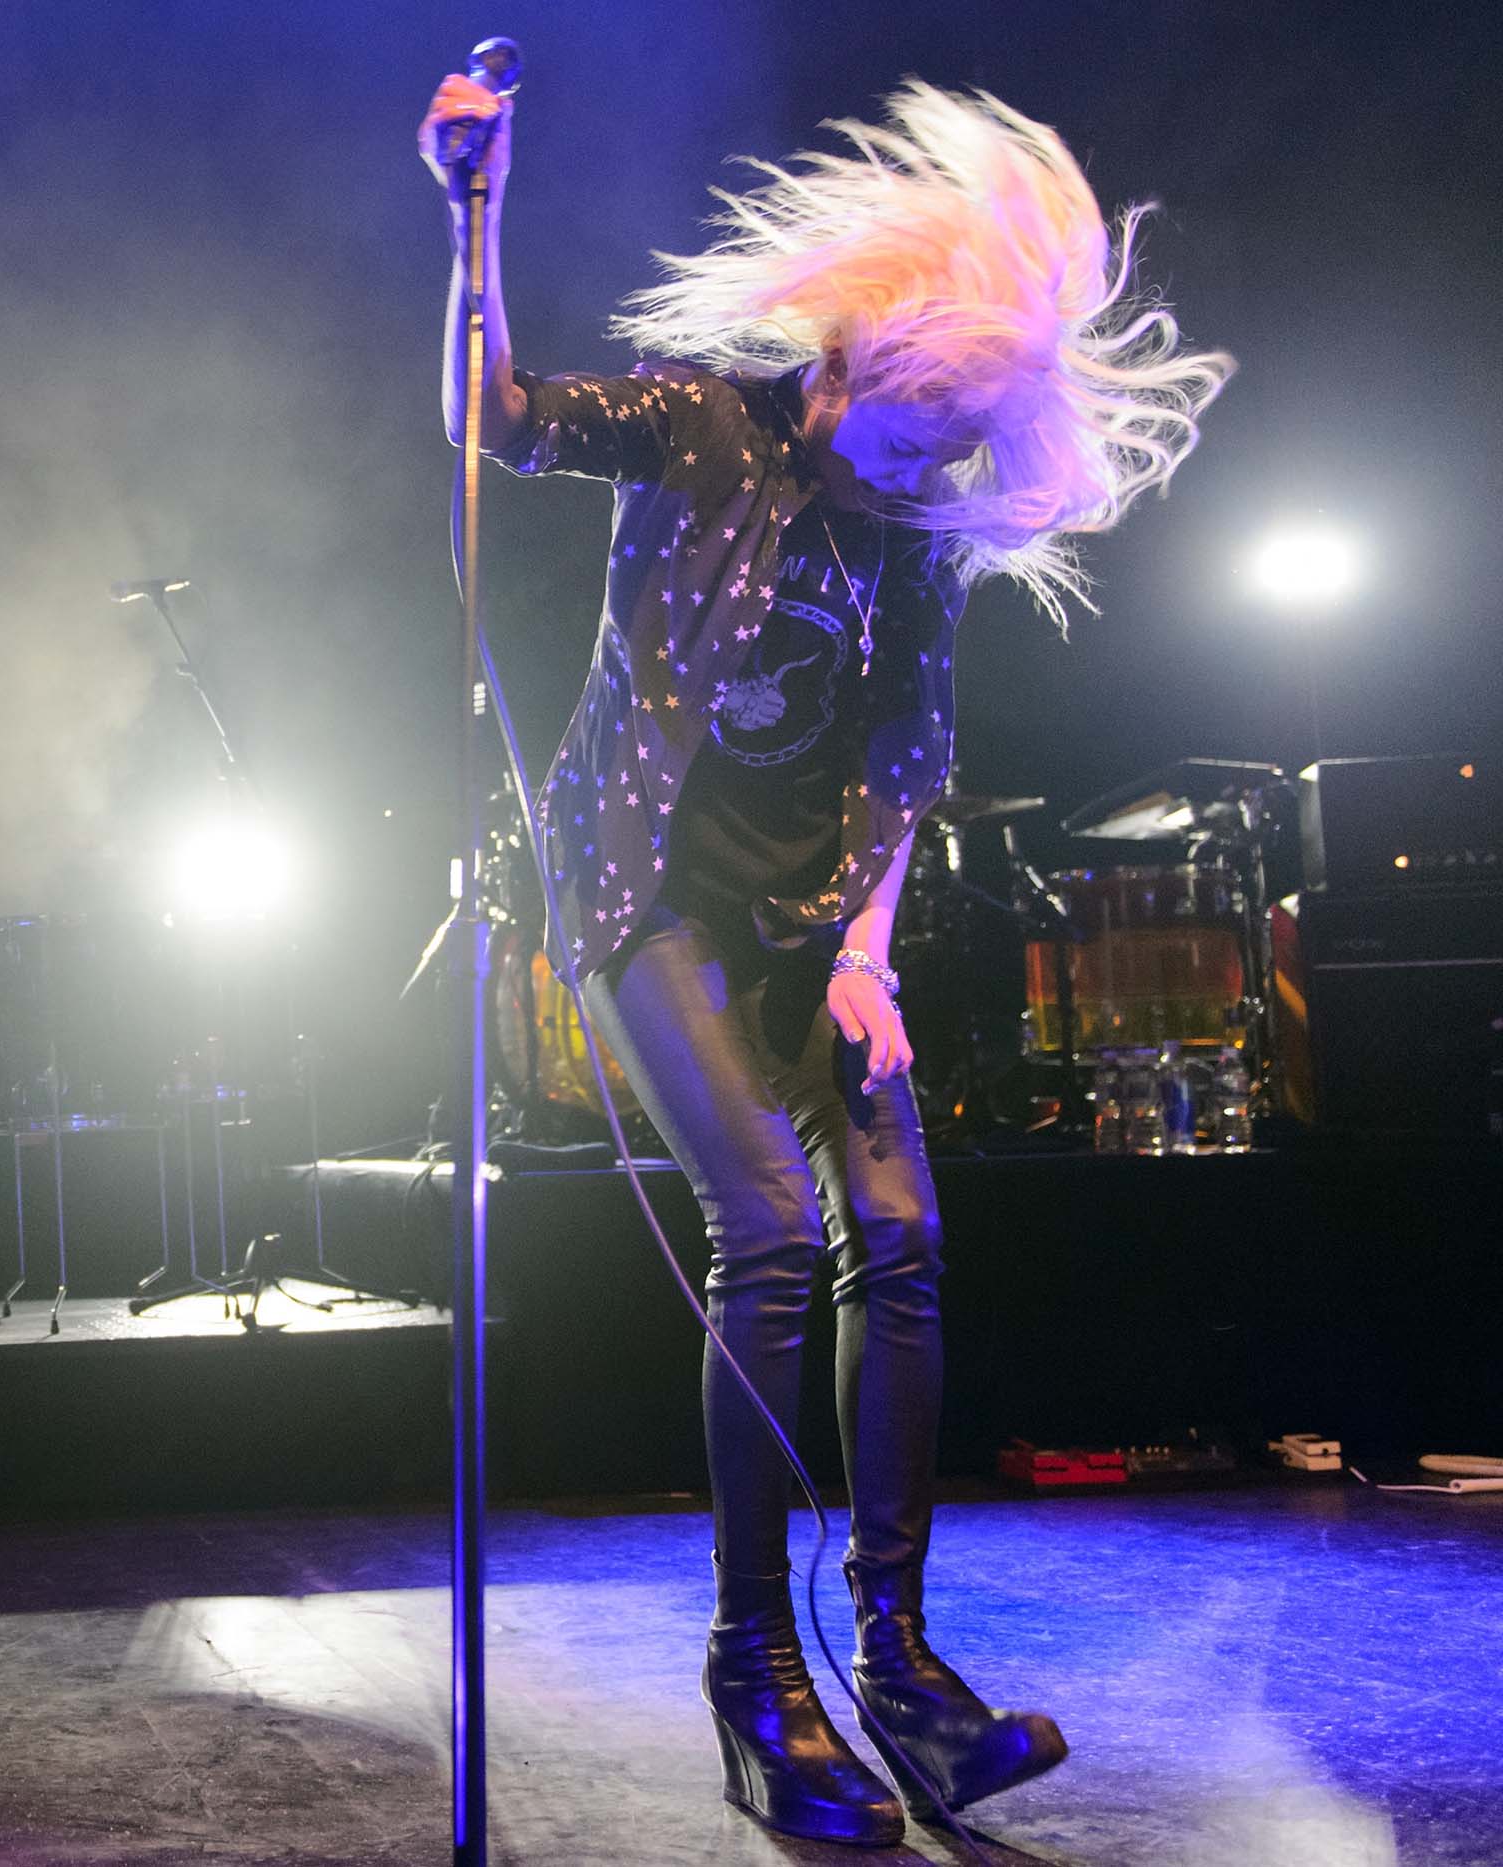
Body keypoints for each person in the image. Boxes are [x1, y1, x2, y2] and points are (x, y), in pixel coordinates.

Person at [421, 77, 1228, 1843]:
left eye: (959, 447)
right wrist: (475, 219)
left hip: (806, 923)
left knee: (911, 1239)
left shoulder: (911, 527)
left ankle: (899, 1658)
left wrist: (864, 946)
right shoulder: (705, 430)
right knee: (774, 1231)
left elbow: (907, 750)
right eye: (914, 429)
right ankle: (753, 1665)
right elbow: (499, 416)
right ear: (847, 367)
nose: (930, 469)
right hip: (644, 894)